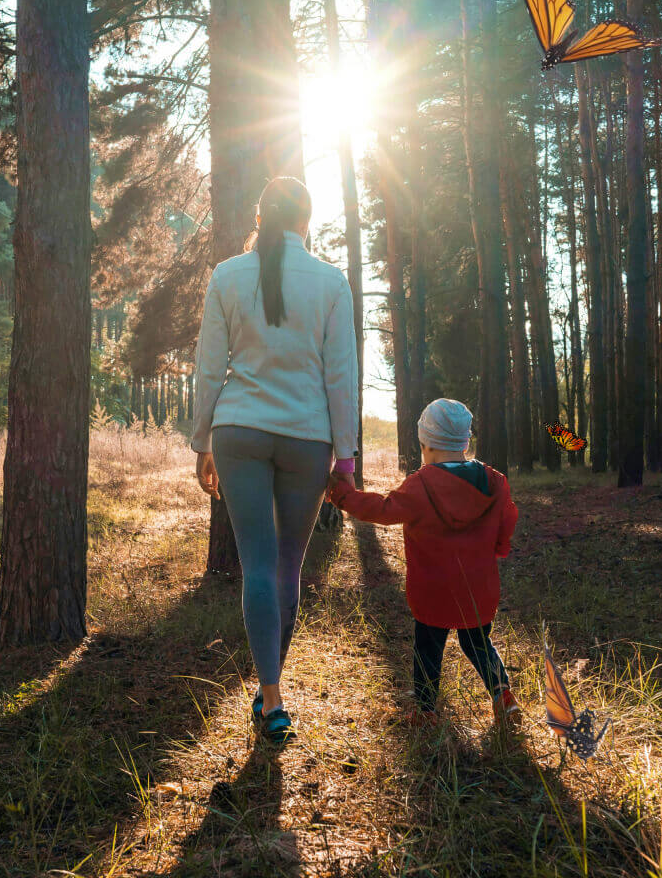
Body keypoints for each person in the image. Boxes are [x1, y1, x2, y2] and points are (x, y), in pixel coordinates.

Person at [190, 176, 359, 745]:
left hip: (238, 430)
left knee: (258, 564)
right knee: (288, 563)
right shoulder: (332, 282)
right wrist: (347, 459)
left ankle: (270, 693)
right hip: (307, 437)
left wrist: (201, 441)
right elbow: (341, 378)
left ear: (262, 217)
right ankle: (272, 689)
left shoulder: (227, 275)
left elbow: (210, 368)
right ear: (306, 220)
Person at [326, 398, 521, 728]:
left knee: (428, 648)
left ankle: (427, 711)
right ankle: (503, 695)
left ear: (426, 444)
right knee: (478, 643)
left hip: (434, 591)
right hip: (479, 588)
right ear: (465, 441)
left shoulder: (421, 484)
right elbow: (508, 518)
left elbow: (382, 509)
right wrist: (499, 548)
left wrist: (342, 494)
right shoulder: (495, 482)